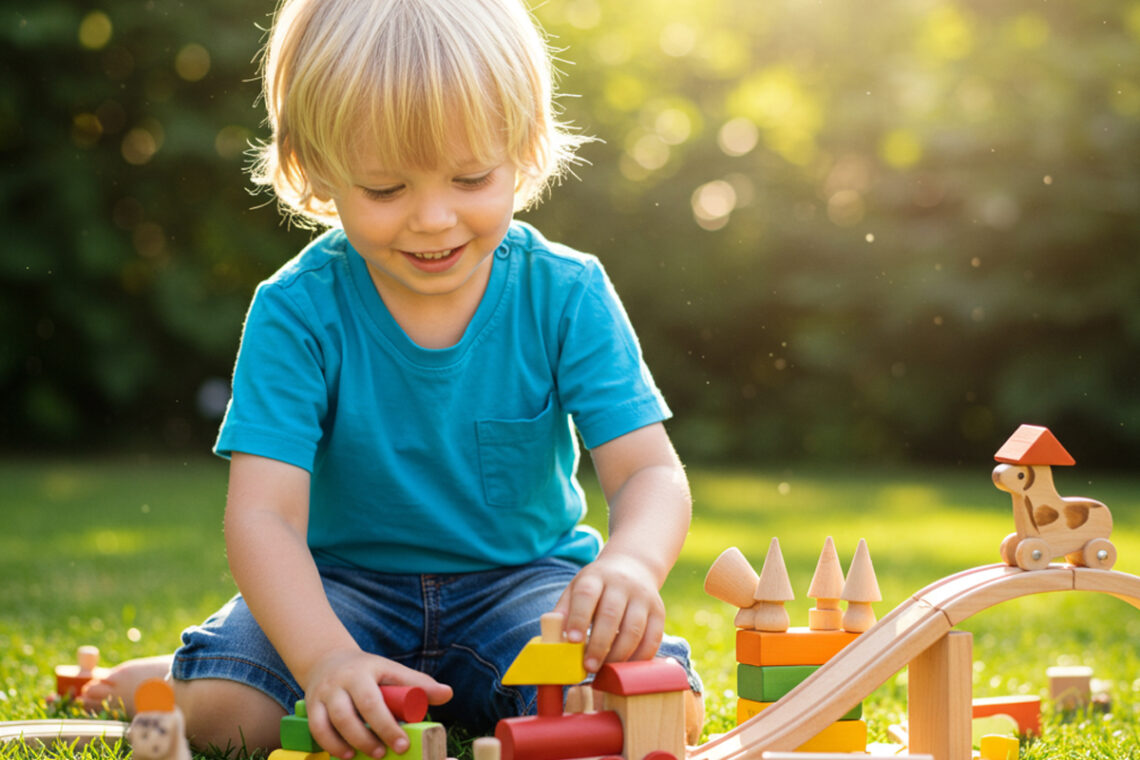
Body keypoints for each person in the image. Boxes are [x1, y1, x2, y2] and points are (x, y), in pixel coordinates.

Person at [83, 0, 702, 754]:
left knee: (638, 714)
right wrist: (325, 659)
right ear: (314, 170)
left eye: (470, 177)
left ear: (525, 148)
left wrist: (631, 562)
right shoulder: (295, 311)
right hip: (340, 591)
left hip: (524, 589)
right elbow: (265, 519)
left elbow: (647, 473)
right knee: (233, 718)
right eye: (385, 189)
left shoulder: (565, 293)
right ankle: (163, 678)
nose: (434, 218)